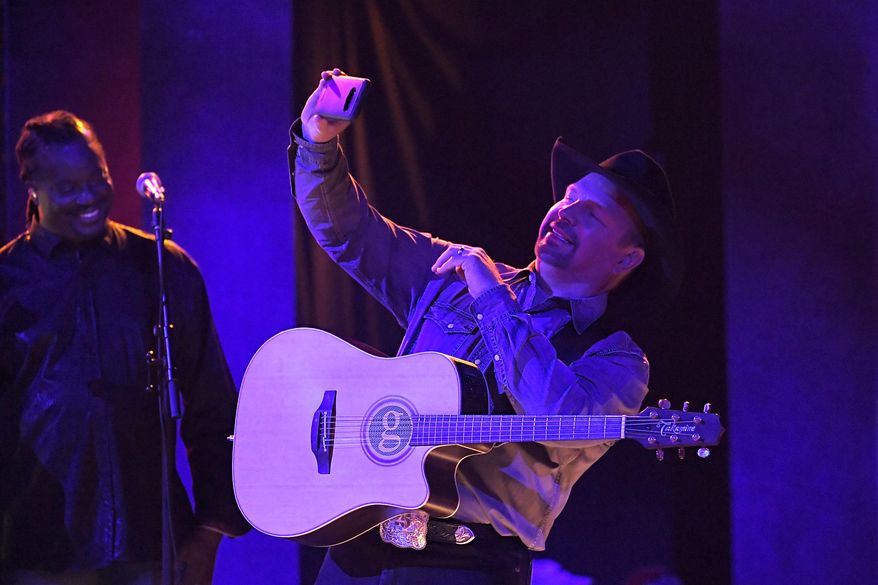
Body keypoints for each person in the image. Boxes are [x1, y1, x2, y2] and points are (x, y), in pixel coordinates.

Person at [291, 69, 682, 584]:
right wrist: (319, 139)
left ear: (627, 259)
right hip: (361, 547)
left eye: (592, 214)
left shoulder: (617, 359)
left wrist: (493, 295)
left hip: (467, 565)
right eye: (566, 197)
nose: (564, 212)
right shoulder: (456, 275)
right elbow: (350, 232)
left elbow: (560, 422)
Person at [0, 111, 249, 585]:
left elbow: (213, 410)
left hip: (153, 549)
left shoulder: (163, 268)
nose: (89, 198)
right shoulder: (8, 283)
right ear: (32, 188)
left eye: (98, 179)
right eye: (68, 188)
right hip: (39, 556)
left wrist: (211, 529)